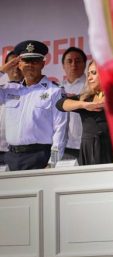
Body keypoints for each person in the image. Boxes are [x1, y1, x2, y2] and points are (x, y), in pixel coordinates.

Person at [0, 41, 69, 170]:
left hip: (40, 157)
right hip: (10, 158)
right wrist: (3, 69)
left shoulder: (54, 91)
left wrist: (52, 163)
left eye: (35, 61)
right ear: (18, 64)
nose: (30, 65)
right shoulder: (10, 89)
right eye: (26, 61)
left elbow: (60, 130)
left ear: (43, 63)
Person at [56, 61, 113, 165]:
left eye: (94, 73)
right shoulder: (86, 98)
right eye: (89, 74)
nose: (90, 78)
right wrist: (84, 105)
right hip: (87, 149)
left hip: (110, 149)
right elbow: (60, 104)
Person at [60, 47, 87, 161]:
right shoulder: (58, 88)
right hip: (62, 146)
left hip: (84, 145)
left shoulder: (90, 85)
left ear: (85, 64)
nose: (73, 64)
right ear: (63, 65)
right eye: (69, 61)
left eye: (78, 61)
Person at [0, 51, 22, 167]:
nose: (15, 68)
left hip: (20, 153)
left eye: (18, 64)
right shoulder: (2, 90)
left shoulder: (34, 89)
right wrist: (2, 69)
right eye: (11, 64)